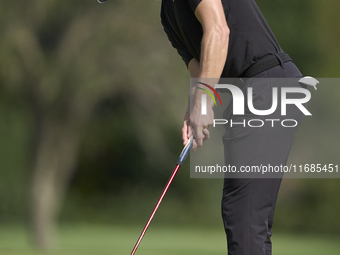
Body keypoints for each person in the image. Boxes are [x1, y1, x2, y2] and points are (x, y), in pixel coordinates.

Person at [161, 0, 306, 254]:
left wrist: (205, 99)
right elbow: (198, 66)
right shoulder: (167, 14)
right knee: (246, 218)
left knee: (243, 217)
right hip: (253, 95)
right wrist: (193, 109)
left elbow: (218, 30)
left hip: (267, 86)